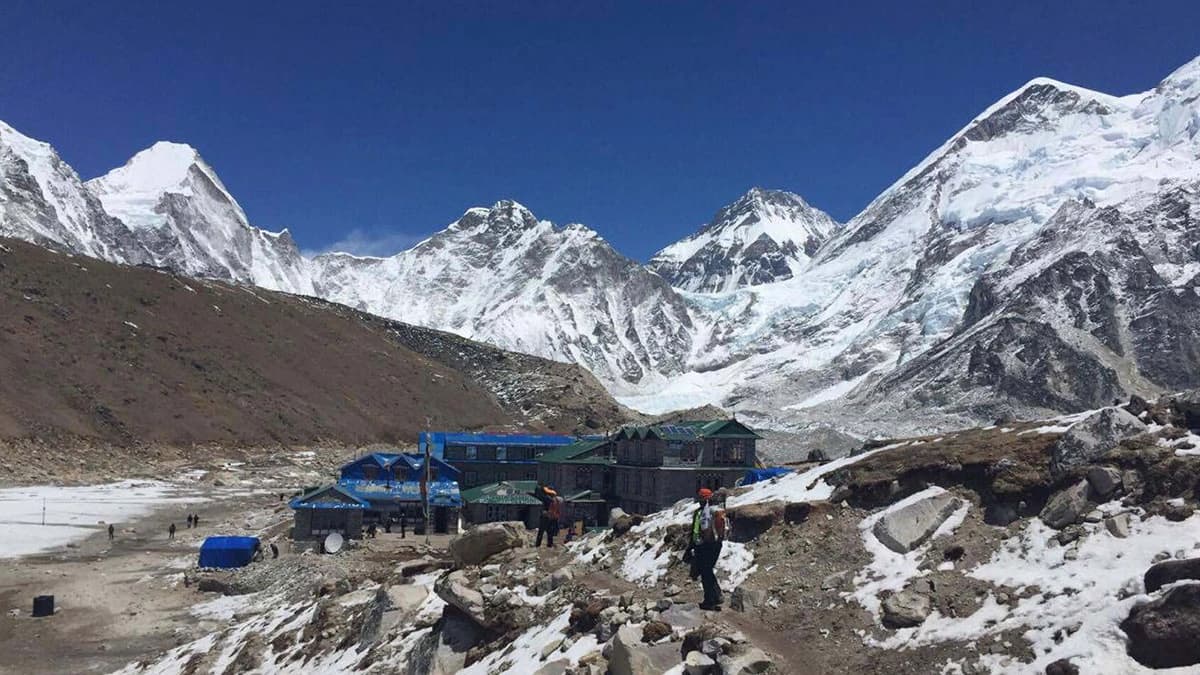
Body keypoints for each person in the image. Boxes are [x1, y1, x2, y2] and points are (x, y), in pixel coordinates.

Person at [686, 488, 726, 611]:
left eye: (701, 498)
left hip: (705, 545)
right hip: (713, 544)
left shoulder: (704, 512)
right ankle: (716, 595)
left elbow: (697, 530)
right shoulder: (713, 511)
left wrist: (693, 545)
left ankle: (710, 600)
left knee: (705, 573)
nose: (700, 501)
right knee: (707, 571)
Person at [530, 483, 558, 548]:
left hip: (545, 516)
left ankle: (538, 545)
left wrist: (539, 489)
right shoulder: (555, 499)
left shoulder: (547, 498)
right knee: (550, 532)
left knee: (541, 531)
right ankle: (549, 545)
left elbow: (540, 495)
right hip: (552, 517)